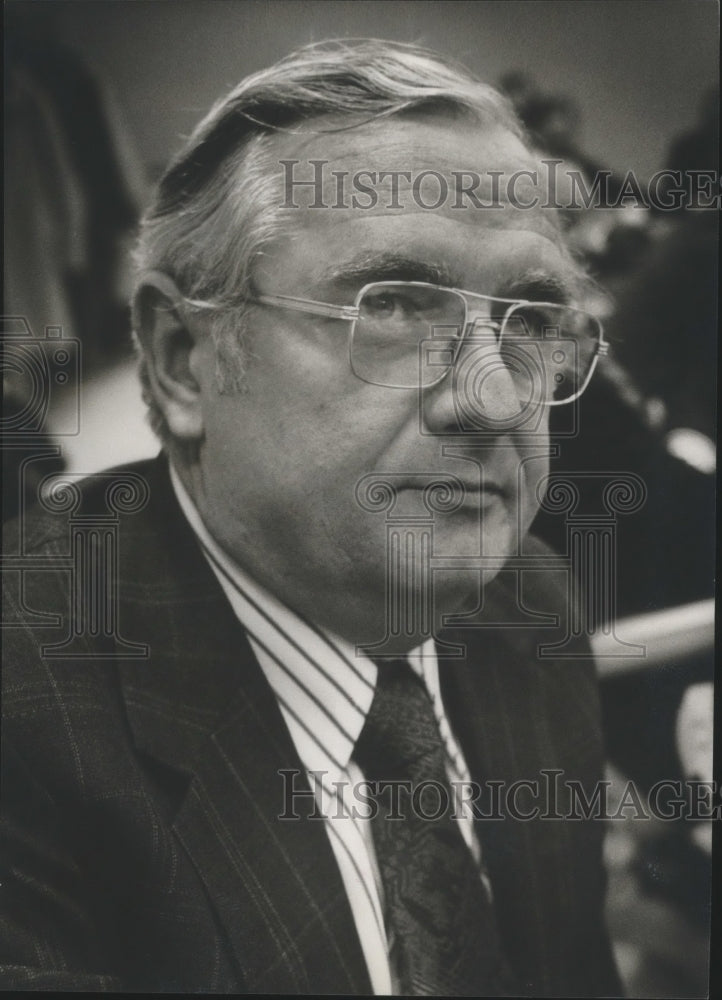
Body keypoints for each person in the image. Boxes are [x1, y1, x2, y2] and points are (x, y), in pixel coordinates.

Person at [1, 40, 623, 995]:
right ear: (182, 360)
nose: (495, 399)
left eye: (531, 318)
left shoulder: (528, 602)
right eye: (395, 306)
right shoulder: (29, 720)